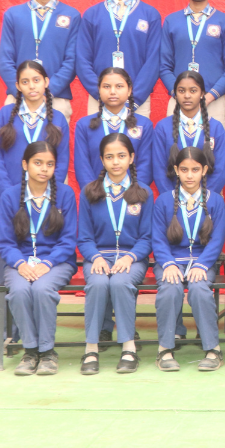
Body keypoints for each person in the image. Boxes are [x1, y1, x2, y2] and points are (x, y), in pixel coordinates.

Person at [0, 60, 69, 343]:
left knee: (39, 252)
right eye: (25, 81)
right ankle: (10, 331)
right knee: (5, 262)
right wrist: (12, 197)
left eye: (36, 80)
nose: (31, 86)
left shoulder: (58, 118)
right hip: (4, 200)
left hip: (44, 200)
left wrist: (43, 194)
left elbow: (61, 162)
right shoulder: (4, 115)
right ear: (17, 86)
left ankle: (35, 332)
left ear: (46, 82)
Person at [0, 142, 77, 376]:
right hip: (20, 263)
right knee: (20, 291)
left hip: (56, 262)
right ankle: (30, 351)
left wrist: (47, 263)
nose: (44, 169)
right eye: (38, 163)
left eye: (50, 164)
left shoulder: (65, 194)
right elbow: (5, 243)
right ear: (25, 164)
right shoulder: (10, 196)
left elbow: (68, 240)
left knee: (42, 289)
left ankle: (48, 352)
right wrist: (21, 264)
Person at [77, 133, 153, 375]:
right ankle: (91, 348)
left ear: (131, 158)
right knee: (98, 284)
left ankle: (129, 348)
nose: (116, 162)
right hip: (98, 256)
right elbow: (84, 238)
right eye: (109, 157)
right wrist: (96, 257)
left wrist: (130, 257)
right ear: (102, 160)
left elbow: (147, 238)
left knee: (120, 283)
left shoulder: (144, 192)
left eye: (121, 156)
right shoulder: (90, 192)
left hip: (132, 257)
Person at [152, 147, 225, 372]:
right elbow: (158, 239)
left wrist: (202, 264)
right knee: (170, 289)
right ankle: (165, 348)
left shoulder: (216, 201)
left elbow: (217, 240)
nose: (190, 175)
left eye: (195, 169)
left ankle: (213, 348)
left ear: (204, 170)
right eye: (184, 170)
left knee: (199, 289)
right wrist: (168, 263)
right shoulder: (164, 201)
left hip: (202, 261)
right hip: (172, 261)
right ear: (176, 170)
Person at [76, 0, 162, 115]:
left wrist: (135, 98)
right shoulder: (92, 15)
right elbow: (82, 59)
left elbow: (153, 61)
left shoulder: (150, 14)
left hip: (137, 101)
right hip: (99, 99)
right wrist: (101, 93)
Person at [0, 0, 80, 122]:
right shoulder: (13, 15)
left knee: (54, 141)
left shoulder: (72, 15)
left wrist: (48, 92)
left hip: (56, 99)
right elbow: (5, 61)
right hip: (18, 98)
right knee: (15, 140)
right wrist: (23, 91)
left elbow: (72, 62)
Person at [159, 0, 225, 127]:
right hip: (179, 101)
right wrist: (179, 94)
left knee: (213, 144)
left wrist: (209, 97)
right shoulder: (171, 21)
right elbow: (164, 66)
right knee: (175, 144)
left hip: (213, 101)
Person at [74, 67, 153, 189]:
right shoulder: (84, 125)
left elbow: (146, 166)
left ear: (129, 90)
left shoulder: (144, 124)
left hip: (133, 195)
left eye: (119, 86)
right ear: (99, 90)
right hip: (96, 195)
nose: (112, 91)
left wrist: (133, 192)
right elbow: (82, 166)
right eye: (106, 86)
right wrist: (94, 193)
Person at [152, 71, 225, 195]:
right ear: (175, 94)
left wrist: (202, 198)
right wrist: (174, 198)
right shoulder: (163, 127)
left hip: (207, 200)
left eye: (193, 91)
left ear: (202, 94)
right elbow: (159, 170)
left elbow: (220, 171)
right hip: (173, 200)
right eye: (181, 91)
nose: (187, 96)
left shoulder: (216, 127)